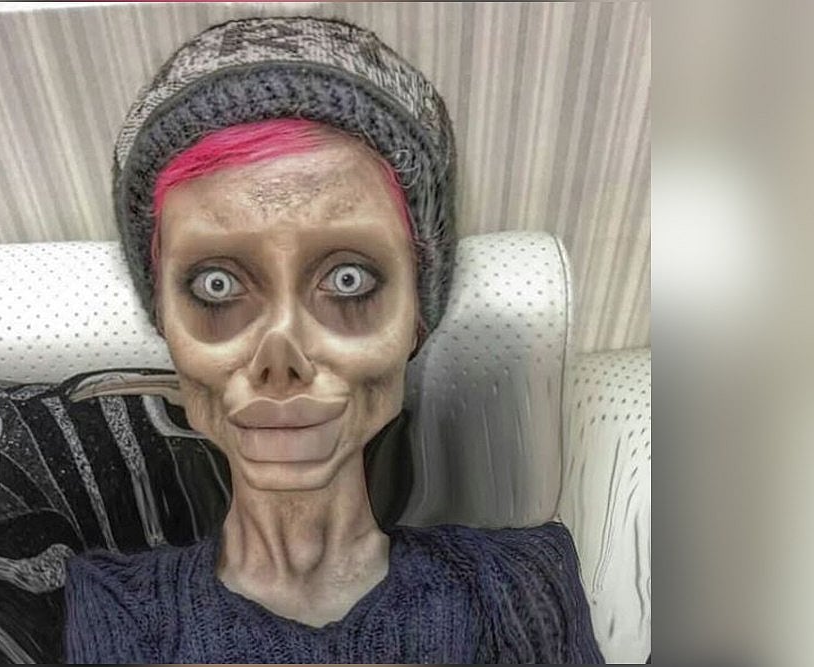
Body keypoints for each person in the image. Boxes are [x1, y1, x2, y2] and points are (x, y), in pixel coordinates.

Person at [65, 16, 604, 664]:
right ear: (165, 321)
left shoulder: (523, 582)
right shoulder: (115, 609)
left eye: (349, 279)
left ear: (416, 316)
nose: (281, 359)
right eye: (216, 285)